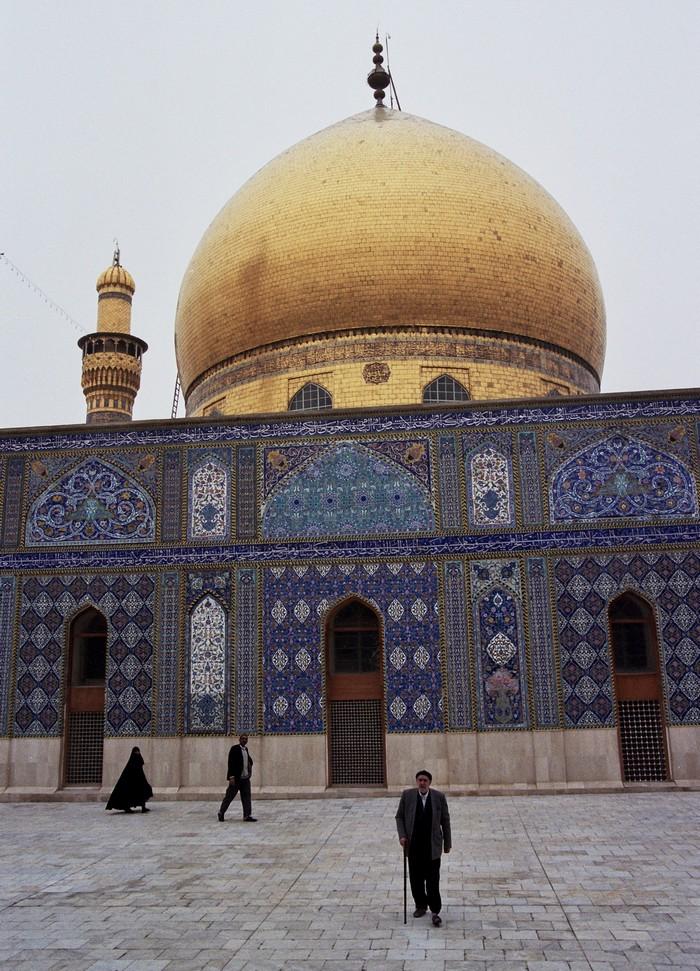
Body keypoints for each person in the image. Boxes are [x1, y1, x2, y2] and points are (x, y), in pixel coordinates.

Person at [395, 769, 451, 926]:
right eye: (420, 780)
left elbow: (445, 821)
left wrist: (447, 844)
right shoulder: (408, 796)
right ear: (417, 781)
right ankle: (420, 905)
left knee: (433, 881)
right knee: (416, 879)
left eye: (425, 780)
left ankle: (435, 911)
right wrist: (402, 835)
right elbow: (399, 816)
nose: (422, 783)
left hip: (432, 846)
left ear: (429, 782)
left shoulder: (439, 797)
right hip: (413, 846)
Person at [218, 734, 257, 821]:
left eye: (246, 739)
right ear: (239, 740)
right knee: (229, 796)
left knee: (246, 797)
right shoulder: (234, 749)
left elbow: (249, 760)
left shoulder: (246, 749)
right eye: (243, 739)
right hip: (236, 779)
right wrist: (231, 777)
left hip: (245, 779)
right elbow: (230, 763)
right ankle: (221, 812)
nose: (244, 740)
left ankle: (247, 815)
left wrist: (249, 770)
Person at [105, 746, 153, 813]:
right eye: (136, 751)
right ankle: (127, 808)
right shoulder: (131, 763)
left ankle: (143, 807)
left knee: (144, 791)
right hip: (131, 783)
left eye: (138, 751)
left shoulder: (138, 759)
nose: (137, 753)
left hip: (140, 780)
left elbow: (141, 763)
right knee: (129, 794)